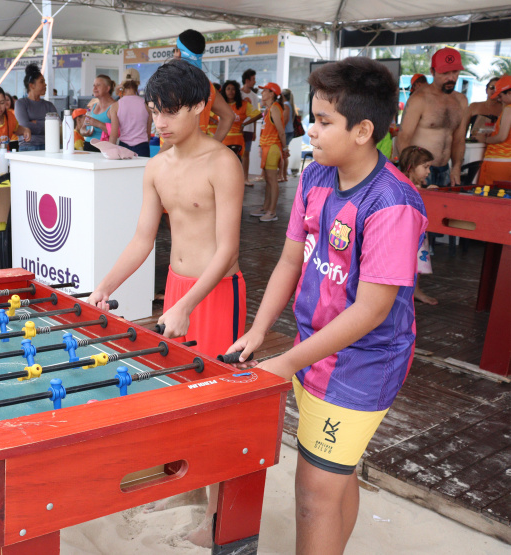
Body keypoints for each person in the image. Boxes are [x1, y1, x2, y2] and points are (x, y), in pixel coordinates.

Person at [227, 57, 427, 555]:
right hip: (313, 348)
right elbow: (290, 260)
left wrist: (287, 361)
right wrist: (258, 330)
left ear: (363, 130)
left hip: (362, 362)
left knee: (314, 494)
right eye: (310, 118)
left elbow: (371, 311)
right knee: (336, 476)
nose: (309, 131)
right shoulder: (316, 176)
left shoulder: (392, 203)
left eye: (322, 122)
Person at [87, 59, 245, 548]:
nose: (160, 123)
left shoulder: (223, 162)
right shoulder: (156, 166)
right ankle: (183, 482)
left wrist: (187, 304)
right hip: (177, 288)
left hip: (216, 292)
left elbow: (228, 250)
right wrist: (104, 286)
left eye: (170, 112)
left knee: (218, 404)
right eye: (156, 112)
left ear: (200, 106)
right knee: (175, 391)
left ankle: (218, 515)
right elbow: (142, 238)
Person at [399, 48, 468, 187]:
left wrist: (456, 167)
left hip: (445, 170)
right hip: (420, 171)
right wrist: (410, 172)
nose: (451, 78)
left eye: (455, 72)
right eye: (445, 73)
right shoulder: (419, 99)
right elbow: (403, 138)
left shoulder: (461, 101)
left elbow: (459, 139)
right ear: (432, 71)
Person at [173, 29, 234, 142]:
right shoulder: (207, 84)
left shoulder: (173, 82)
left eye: (176, 49)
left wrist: (158, 157)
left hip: (173, 155)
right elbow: (229, 116)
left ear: (179, 53)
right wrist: (213, 146)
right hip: (200, 154)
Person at [399, 145, 438, 305]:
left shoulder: (421, 186)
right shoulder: (401, 184)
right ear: (411, 166)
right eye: (425, 167)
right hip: (403, 234)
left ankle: (415, 290)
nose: (428, 172)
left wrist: (431, 194)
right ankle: (399, 293)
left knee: (418, 263)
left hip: (418, 233)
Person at [251, 82, 287, 222]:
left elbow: (281, 132)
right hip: (268, 147)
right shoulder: (269, 109)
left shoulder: (275, 109)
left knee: (272, 180)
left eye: (265, 90)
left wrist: (284, 149)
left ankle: (272, 212)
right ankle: (266, 208)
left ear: (272, 93)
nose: (262, 93)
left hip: (273, 147)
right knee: (268, 180)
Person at [474, 75, 511, 186]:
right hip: (505, 162)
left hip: (499, 161)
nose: (499, 100)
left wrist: (484, 139)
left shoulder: (509, 109)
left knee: (490, 197)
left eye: (500, 96)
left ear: (509, 93)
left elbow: (501, 137)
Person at [14, 64, 59, 152]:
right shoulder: (21, 103)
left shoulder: (49, 105)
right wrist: (47, 124)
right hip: (28, 146)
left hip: (48, 146)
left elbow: (57, 125)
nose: (45, 84)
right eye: (41, 82)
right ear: (32, 85)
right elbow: (23, 126)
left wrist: (35, 123)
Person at [220, 80, 261, 161]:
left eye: (233, 89)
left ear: (237, 91)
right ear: (224, 91)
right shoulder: (220, 104)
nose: (230, 91)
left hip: (237, 140)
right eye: (228, 89)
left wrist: (244, 124)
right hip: (222, 139)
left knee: (236, 163)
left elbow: (259, 115)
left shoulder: (243, 104)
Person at [114, 79, 152, 157]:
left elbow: (114, 134)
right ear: (137, 85)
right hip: (142, 146)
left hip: (123, 146)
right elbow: (148, 133)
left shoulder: (116, 105)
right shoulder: (146, 104)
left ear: (122, 86)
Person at [81, 74, 118, 151]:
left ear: (107, 88)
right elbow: (82, 128)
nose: (94, 88)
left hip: (103, 148)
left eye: (98, 85)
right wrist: (84, 132)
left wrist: (97, 123)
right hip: (88, 145)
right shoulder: (92, 105)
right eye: (94, 85)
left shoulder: (114, 106)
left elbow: (115, 133)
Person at [241, 69, 260, 185]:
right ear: (247, 80)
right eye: (253, 79)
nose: (254, 82)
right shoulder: (238, 93)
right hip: (237, 129)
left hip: (248, 129)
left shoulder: (254, 96)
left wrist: (254, 131)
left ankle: (245, 178)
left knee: (246, 153)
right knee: (236, 154)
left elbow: (256, 114)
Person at [281, 88, 297, 180]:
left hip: (286, 132)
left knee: (284, 154)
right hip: (289, 131)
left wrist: (280, 131)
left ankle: (283, 175)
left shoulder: (286, 105)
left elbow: (285, 120)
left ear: (283, 96)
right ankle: (284, 175)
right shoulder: (289, 105)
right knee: (285, 153)